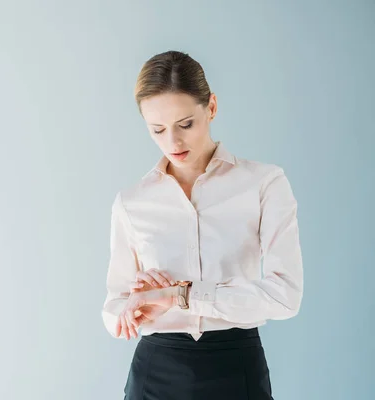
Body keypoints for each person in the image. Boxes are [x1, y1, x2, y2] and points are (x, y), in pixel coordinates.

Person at [101, 50, 304, 399]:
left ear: (211, 107)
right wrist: (132, 308)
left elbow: (285, 296)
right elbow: (114, 306)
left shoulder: (264, 184)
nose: (173, 143)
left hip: (236, 366)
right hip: (155, 371)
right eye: (157, 130)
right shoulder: (131, 203)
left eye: (185, 124)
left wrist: (180, 296)